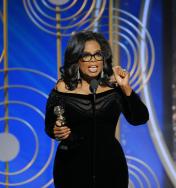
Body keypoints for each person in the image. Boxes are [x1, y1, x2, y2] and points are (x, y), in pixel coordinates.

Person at [44, 31, 149, 188]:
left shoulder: (115, 89)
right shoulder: (62, 89)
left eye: (97, 55)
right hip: (71, 168)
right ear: (76, 59)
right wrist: (56, 130)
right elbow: (50, 126)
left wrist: (126, 87)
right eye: (86, 55)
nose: (93, 61)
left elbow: (140, 118)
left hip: (111, 167)